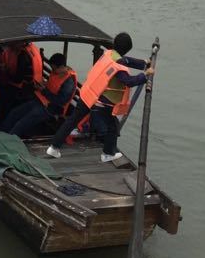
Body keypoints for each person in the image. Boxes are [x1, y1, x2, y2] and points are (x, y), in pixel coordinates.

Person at [44, 32, 153, 164]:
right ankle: (107, 154)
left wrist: (144, 63)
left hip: (87, 93)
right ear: (127, 49)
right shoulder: (118, 67)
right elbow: (129, 81)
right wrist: (145, 75)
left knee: (72, 121)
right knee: (113, 126)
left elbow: (126, 60)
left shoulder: (109, 54)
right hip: (100, 101)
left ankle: (54, 147)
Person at [0, 53, 76, 139]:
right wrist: (43, 84)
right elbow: (53, 86)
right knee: (14, 113)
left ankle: (8, 140)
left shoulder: (68, 82)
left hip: (51, 108)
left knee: (22, 123)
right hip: (41, 101)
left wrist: (43, 91)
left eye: (54, 68)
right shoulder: (57, 73)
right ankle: (0, 133)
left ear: (61, 66)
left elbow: (60, 101)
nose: (52, 70)